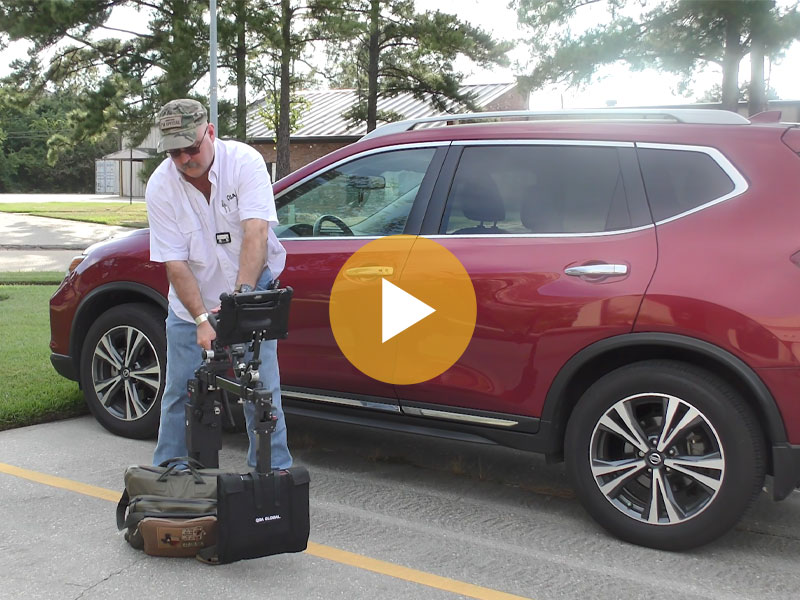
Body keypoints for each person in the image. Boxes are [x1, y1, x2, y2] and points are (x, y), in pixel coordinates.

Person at [145, 98, 291, 470]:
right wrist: (199, 320)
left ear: (210, 133)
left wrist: (236, 308)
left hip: (249, 290)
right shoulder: (161, 185)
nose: (183, 160)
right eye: (174, 152)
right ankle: (171, 476)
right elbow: (175, 263)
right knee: (180, 389)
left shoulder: (244, 162)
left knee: (261, 390)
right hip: (190, 302)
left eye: (191, 148)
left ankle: (271, 474)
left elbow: (256, 233)